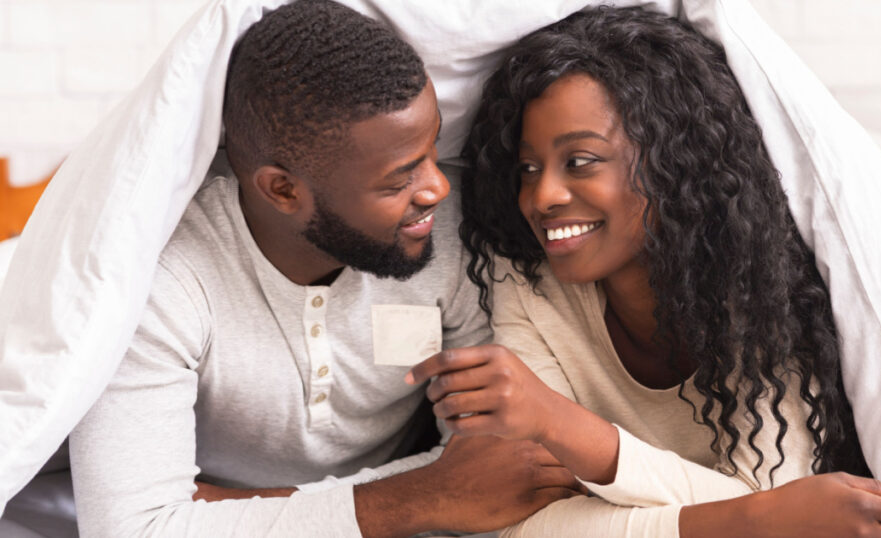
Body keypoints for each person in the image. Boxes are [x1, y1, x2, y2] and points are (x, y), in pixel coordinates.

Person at [408, 7, 881, 537]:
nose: (542, 196)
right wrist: (753, 519)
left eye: (580, 161)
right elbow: (516, 522)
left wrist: (559, 424)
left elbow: (778, 492)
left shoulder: (762, 293)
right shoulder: (524, 280)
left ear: (676, 163)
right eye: (529, 168)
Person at [68, 1, 581, 536]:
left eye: (433, 151)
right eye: (398, 178)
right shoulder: (160, 280)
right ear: (283, 190)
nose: (438, 188)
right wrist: (421, 499)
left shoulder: (451, 232)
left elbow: (495, 468)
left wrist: (227, 509)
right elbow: (131, 529)